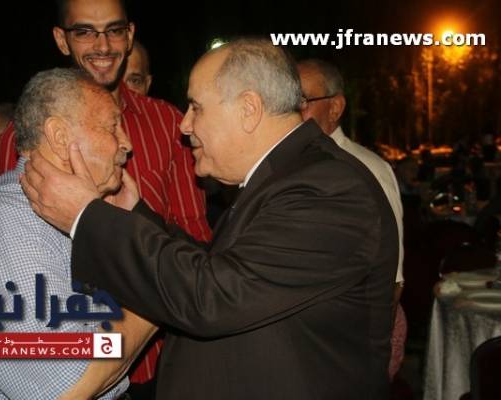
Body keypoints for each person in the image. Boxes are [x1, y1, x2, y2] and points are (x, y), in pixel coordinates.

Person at [22, 38, 398, 399]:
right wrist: (135, 213)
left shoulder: (328, 189)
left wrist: (86, 216)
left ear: (248, 109)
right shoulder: (285, 178)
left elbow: (212, 296)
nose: (184, 125)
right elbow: (223, 269)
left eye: (196, 107)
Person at [0, 69, 156, 399]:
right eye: (112, 127)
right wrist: (155, 293)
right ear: (60, 136)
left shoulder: (58, 214)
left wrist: (120, 228)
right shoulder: (6, 228)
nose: (127, 143)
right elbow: (68, 384)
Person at [0, 4, 211, 390]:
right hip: (69, 359)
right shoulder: (22, 135)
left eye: (113, 31)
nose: (103, 45)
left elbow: (193, 235)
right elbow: (10, 247)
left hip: (164, 357)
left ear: (130, 36)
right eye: (85, 32)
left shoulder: (167, 122)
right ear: (61, 40)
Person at [297, 58, 406, 378]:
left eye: (302, 101)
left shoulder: (365, 170)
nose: (291, 112)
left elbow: (392, 279)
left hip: (357, 339)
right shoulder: (291, 164)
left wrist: (368, 353)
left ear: (335, 107)